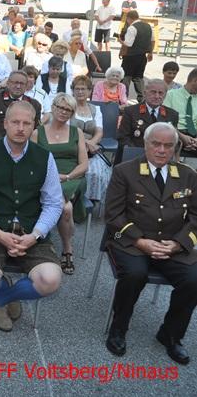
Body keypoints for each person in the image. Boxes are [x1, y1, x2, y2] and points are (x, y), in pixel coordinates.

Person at [0, 101, 63, 332]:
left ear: (34, 126)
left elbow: (53, 203)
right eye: (15, 122)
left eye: (26, 123)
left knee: (51, 280)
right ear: (5, 124)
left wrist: (35, 235)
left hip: (31, 231)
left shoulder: (44, 157)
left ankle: (2, 298)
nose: (20, 128)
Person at [104, 122, 197, 365]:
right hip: (129, 241)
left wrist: (178, 244)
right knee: (135, 274)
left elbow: (195, 217)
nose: (162, 150)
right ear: (145, 144)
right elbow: (113, 216)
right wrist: (140, 241)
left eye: (168, 145)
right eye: (156, 144)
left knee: (194, 279)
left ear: (175, 147)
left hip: (171, 244)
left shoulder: (188, 175)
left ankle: (170, 334)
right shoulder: (125, 171)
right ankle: (118, 328)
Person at [32, 93, 88, 275]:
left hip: (73, 179)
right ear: (53, 107)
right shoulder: (37, 133)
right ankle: (67, 249)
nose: (64, 112)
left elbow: (84, 165)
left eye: (69, 110)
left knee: (63, 202)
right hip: (45, 178)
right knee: (65, 208)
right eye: (61, 107)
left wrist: (67, 177)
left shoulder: (77, 132)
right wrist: (52, 177)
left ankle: (48, 241)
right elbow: (32, 163)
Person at [70, 75, 112, 203]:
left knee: (97, 174)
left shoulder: (96, 109)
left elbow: (99, 132)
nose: (80, 92)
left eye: (83, 89)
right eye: (77, 89)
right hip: (72, 148)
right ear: (73, 91)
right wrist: (86, 143)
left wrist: (92, 143)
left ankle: (90, 203)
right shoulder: (68, 107)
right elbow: (66, 131)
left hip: (91, 150)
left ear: (89, 91)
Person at [118, 78, 178, 151]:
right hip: (137, 153)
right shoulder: (131, 111)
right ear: (144, 93)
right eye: (153, 92)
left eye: (160, 93)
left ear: (165, 95)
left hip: (161, 153)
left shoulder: (172, 115)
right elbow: (123, 137)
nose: (157, 96)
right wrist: (136, 152)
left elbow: (172, 141)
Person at [0, 71, 41, 141]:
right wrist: (4, 141)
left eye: (22, 84)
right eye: (15, 83)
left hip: (23, 142)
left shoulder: (34, 104)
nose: (18, 86)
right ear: (8, 83)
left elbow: (35, 128)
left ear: (26, 86)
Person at [120, 10, 155, 104]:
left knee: (126, 77)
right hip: (142, 57)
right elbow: (153, 41)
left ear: (129, 18)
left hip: (130, 57)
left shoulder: (132, 28)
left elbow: (128, 44)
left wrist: (120, 41)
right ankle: (142, 99)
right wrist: (150, 52)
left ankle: (123, 99)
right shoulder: (148, 26)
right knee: (139, 78)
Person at [164, 68, 197, 157]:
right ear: (195, 80)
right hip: (175, 132)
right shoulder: (171, 95)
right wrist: (181, 137)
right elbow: (165, 120)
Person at [36, 56, 71, 121]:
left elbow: (68, 96)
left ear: (61, 69)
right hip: (43, 110)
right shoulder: (41, 78)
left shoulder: (65, 80)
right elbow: (38, 95)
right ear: (49, 67)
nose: (55, 71)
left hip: (60, 111)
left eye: (57, 69)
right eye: (53, 69)